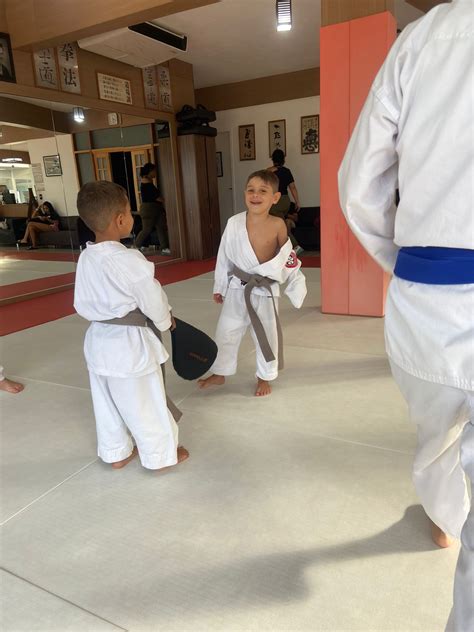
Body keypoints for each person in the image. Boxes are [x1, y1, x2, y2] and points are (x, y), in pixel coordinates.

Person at [338, 1, 473, 628]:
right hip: (432, 284)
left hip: (433, 293)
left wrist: (404, 261)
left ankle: (446, 518)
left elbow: (358, 180)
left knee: (438, 432)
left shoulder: (424, 37)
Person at [73, 181, 189, 471]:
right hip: (129, 345)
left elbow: (81, 301)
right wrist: (166, 321)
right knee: (145, 402)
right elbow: (152, 298)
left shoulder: (86, 256)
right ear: (121, 219)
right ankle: (160, 456)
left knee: (106, 402)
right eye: (129, 211)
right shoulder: (129, 260)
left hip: (98, 341)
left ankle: (116, 452)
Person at [198, 170, 307, 397]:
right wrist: (219, 286)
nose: (255, 195)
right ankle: (220, 371)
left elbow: (288, 256)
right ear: (245, 193)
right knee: (227, 330)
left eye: (262, 191)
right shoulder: (234, 222)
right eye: (251, 190)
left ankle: (264, 376)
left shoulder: (278, 224)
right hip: (238, 286)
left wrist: (295, 282)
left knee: (267, 334)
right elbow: (224, 256)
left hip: (265, 290)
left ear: (275, 198)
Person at [267, 149, 303, 254]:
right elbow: (293, 188)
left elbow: (261, 183)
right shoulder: (287, 171)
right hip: (285, 201)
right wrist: (297, 202)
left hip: (276, 201)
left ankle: (295, 246)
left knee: (279, 225)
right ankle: (281, 248)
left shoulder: (268, 172)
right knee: (279, 224)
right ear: (283, 160)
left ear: (273, 159)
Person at [135, 163, 171, 255]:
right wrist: (166, 200)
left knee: (161, 228)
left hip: (156, 208)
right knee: (147, 229)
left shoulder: (148, 181)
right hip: (149, 209)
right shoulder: (146, 182)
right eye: (154, 171)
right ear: (150, 171)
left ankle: (164, 248)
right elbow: (155, 197)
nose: (155, 173)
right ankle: (136, 247)